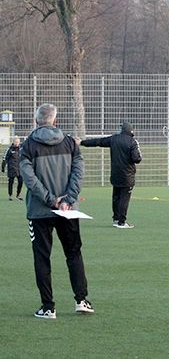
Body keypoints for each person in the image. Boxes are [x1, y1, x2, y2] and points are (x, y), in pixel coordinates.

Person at [20, 103, 93, 319]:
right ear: (55, 120)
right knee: (73, 253)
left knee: (42, 257)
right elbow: (78, 171)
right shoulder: (70, 142)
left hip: (39, 211)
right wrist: (68, 199)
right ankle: (81, 300)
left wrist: (51, 200)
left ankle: (48, 306)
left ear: (36, 121)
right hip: (68, 210)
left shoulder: (28, 145)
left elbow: (29, 179)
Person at [79, 122, 142, 228]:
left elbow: (98, 142)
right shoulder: (132, 142)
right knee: (124, 199)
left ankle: (116, 219)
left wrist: (82, 142)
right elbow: (137, 159)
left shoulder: (114, 139)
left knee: (116, 197)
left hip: (115, 174)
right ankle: (122, 222)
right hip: (127, 175)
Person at [2, 136, 23, 201]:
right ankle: (10, 195)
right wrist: (3, 167)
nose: (17, 143)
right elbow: (5, 158)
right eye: (16, 142)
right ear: (13, 142)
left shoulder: (21, 149)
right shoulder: (9, 149)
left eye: (18, 142)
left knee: (21, 181)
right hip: (12, 168)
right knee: (11, 182)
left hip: (19, 169)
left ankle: (18, 195)